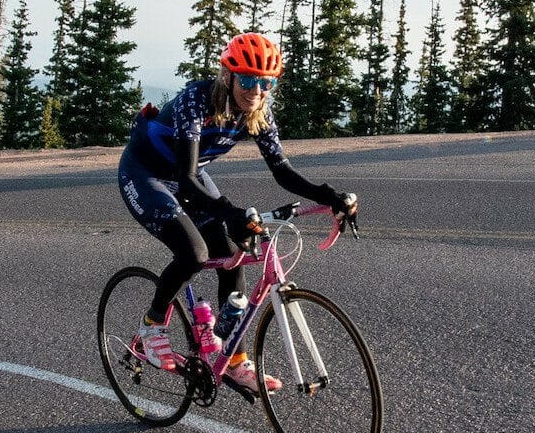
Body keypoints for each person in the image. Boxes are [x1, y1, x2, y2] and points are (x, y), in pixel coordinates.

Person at [117, 32, 358, 394]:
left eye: (266, 83)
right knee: (193, 253)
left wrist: (329, 196)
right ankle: (152, 326)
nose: (256, 91)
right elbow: (184, 177)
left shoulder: (258, 112)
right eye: (247, 79)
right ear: (228, 77)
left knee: (233, 255)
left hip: (191, 177)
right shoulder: (196, 100)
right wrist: (229, 212)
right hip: (147, 173)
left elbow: (281, 170)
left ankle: (233, 358)